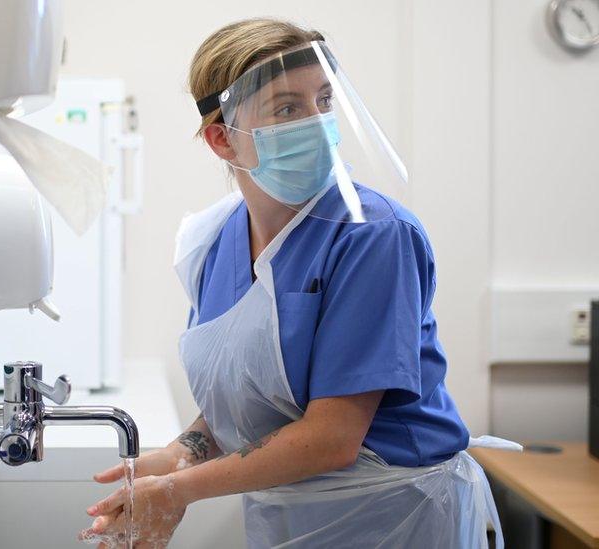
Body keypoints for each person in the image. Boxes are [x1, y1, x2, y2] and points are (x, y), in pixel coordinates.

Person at [80, 18, 515, 549]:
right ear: (223, 139)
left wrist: (178, 490)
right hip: (291, 519)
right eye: (287, 108)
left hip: (395, 520)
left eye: (324, 101)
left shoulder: (373, 236)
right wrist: (178, 456)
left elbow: (331, 439)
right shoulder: (214, 243)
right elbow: (247, 399)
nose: (317, 122)